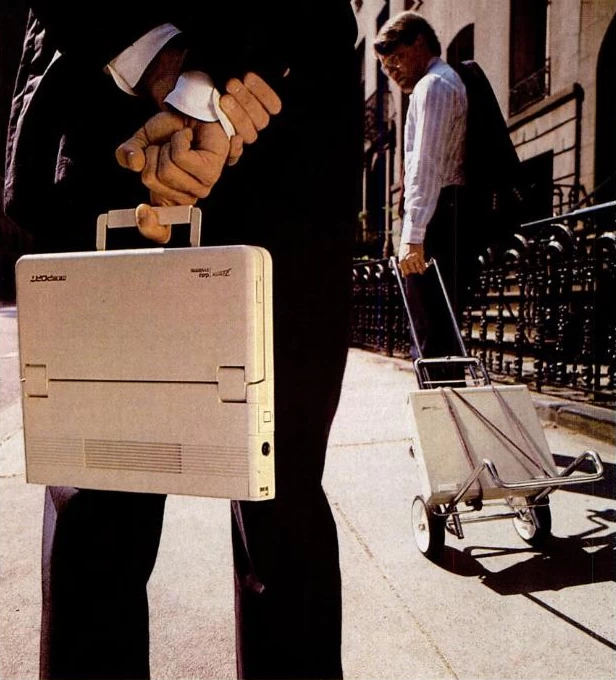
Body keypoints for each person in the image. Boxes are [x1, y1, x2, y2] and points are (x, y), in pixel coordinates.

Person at [4, 4, 362, 679]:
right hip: (110, 106)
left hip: (288, 117)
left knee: (281, 492)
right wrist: (166, 65)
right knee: (100, 489)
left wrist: (217, 93)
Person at [374, 11, 471, 382]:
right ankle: (442, 411)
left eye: (397, 58)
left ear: (420, 43)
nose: (393, 72)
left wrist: (413, 236)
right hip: (444, 214)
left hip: (437, 219)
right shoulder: (441, 83)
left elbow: (425, 166)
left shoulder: (433, 86)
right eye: (386, 68)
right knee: (439, 336)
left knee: (431, 339)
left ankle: (439, 411)